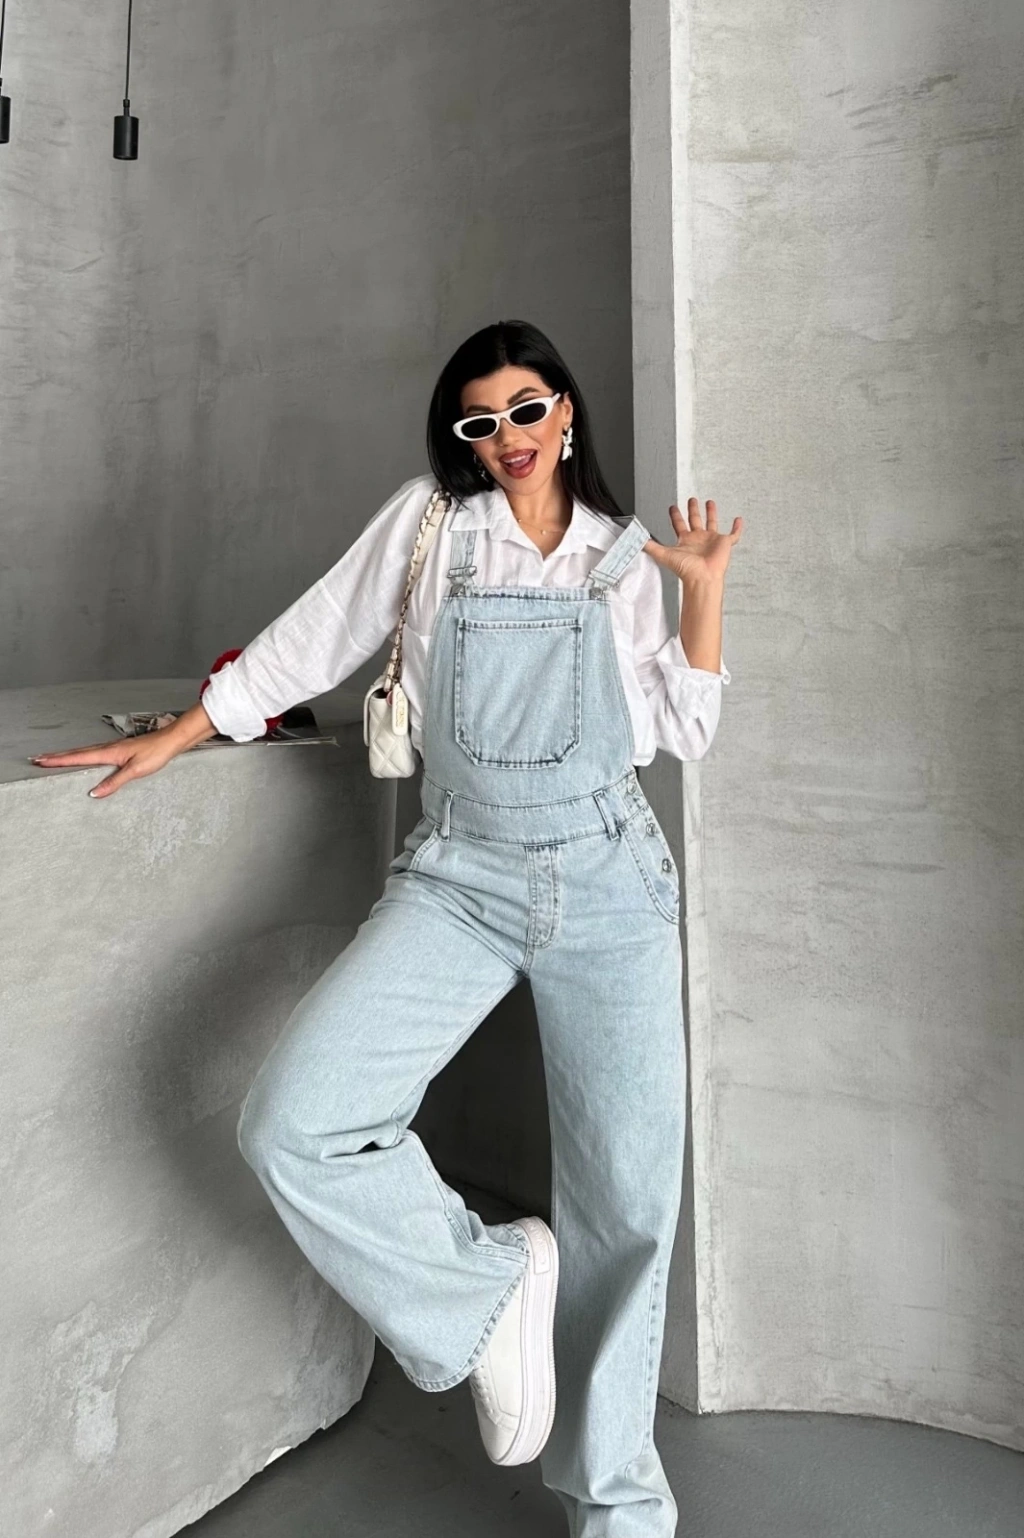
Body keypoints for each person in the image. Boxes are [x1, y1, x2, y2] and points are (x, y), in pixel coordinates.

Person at [31, 319, 741, 1538]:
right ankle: (486, 1285)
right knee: (294, 1119)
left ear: (566, 411)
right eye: (482, 419)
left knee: (627, 1208)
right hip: (458, 873)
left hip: (609, 880)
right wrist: (185, 729)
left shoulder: (625, 560)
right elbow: (311, 637)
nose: (508, 436)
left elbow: (685, 731)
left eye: (527, 408)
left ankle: (618, 1506)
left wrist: (705, 598)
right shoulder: (431, 525)